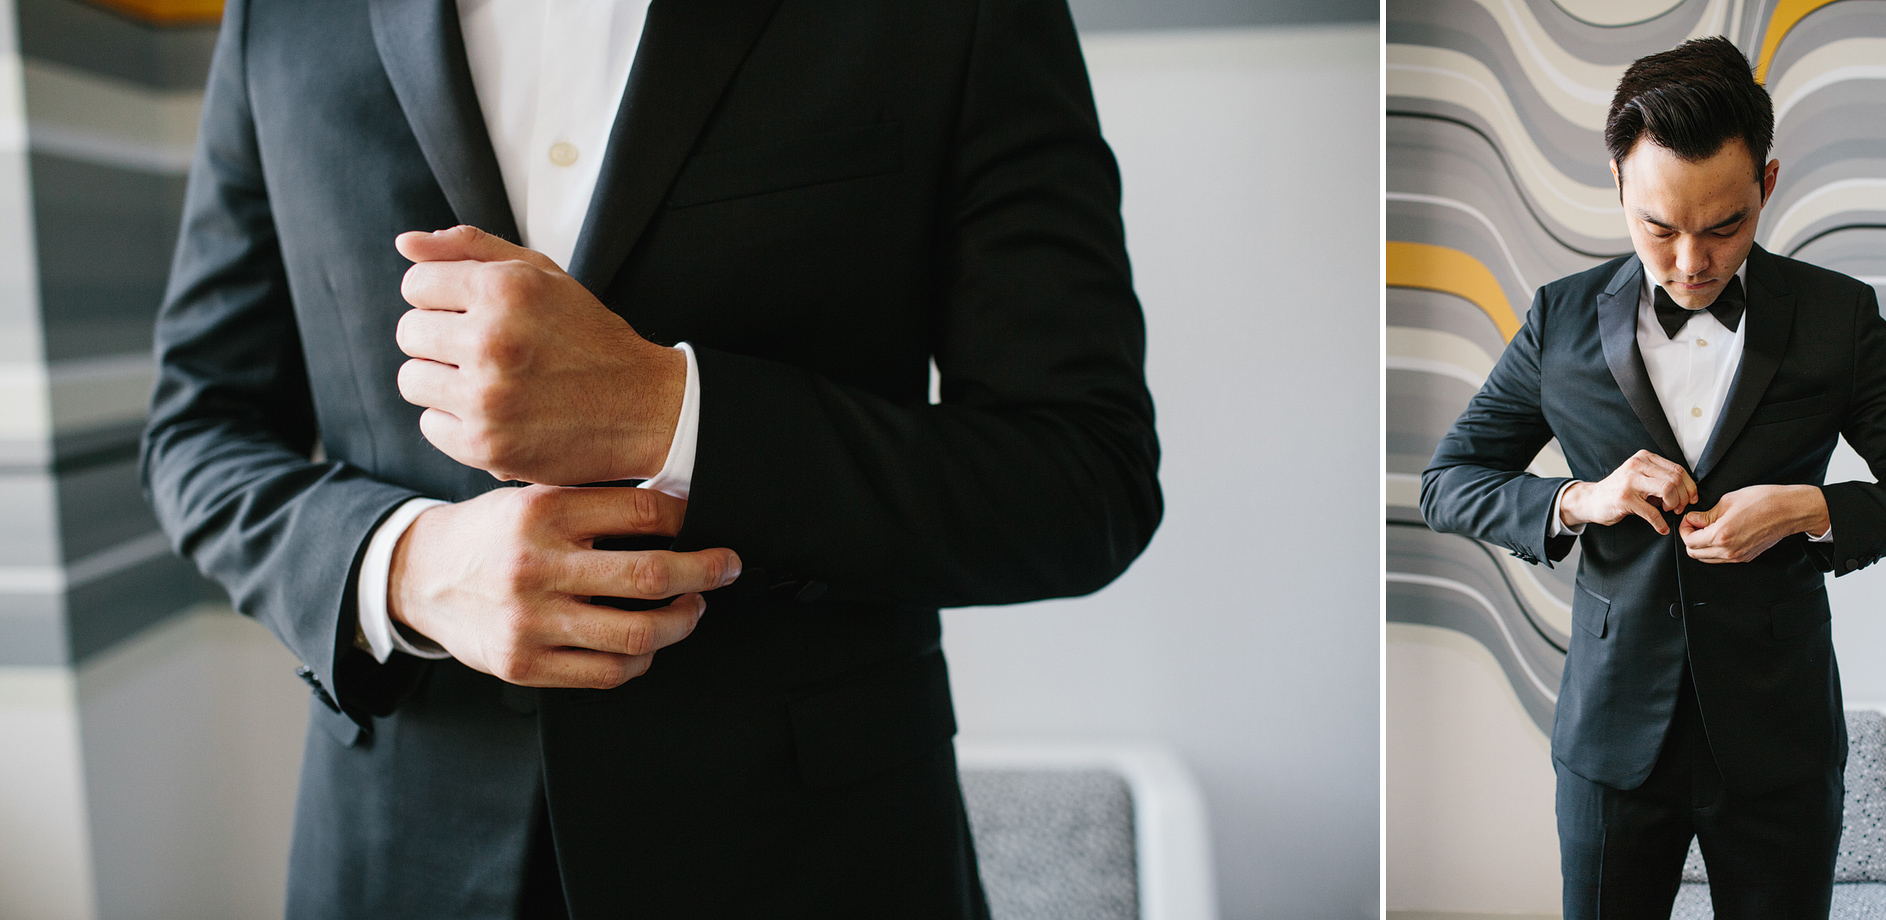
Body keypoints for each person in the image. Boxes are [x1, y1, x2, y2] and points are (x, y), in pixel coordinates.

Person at [140, 0, 1163, 917]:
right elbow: (198, 428)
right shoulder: (279, 16)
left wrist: (668, 414)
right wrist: (406, 565)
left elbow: (1082, 472)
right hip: (392, 856)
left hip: (815, 864)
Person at [1421, 37, 1886, 919]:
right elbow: (1446, 481)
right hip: (1610, 746)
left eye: (1723, 226)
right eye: (1658, 227)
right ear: (1618, 184)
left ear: (1769, 183)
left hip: (1780, 743)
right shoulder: (1559, 320)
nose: (1690, 262)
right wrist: (1581, 499)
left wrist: (1809, 509)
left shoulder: (1838, 317)